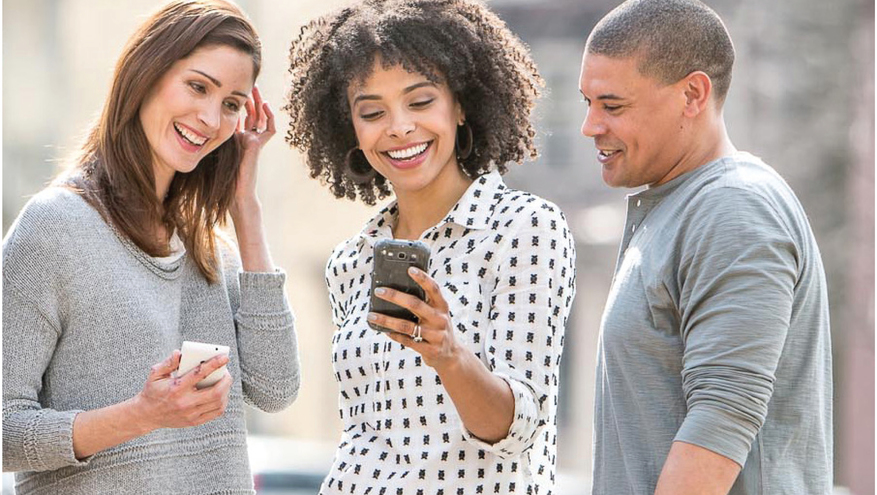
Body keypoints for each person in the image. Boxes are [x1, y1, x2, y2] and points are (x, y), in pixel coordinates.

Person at [2, 1, 301, 493]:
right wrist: (141, 416)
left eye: (231, 103)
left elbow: (276, 389)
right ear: (146, 74)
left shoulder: (210, 248)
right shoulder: (53, 228)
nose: (209, 118)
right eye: (198, 86)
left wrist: (246, 207)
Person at [283, 0, 576, 493]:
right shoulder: (350, 262)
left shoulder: (525, 228)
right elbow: (362, 435)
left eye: (420, 102)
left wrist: (449, 355)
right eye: (373, 112)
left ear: (460, 105)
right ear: (350, 128)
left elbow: (518, 432)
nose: (398, 127)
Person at [578, 0, 832, 494]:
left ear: (692, 94)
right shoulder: (683, 205)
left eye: (612, 105)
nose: (590, 126)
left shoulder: (733, 209)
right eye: (586, 103)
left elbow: (722, 417)